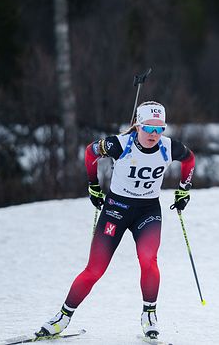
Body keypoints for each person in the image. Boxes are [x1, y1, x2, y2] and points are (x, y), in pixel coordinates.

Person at [36, 101, 195, 341]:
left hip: (148, 211)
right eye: (148, 128)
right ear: (137, 126)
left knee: (148, 260)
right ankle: (62, 318)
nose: (154, 134)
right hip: (116, 209)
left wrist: (184, 189)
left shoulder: (169, 147)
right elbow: (90, 153)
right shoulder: (119, 144)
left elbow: (190, 160)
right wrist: (93, 185)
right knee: (95, 270)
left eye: (159, 129)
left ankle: (149, 314)